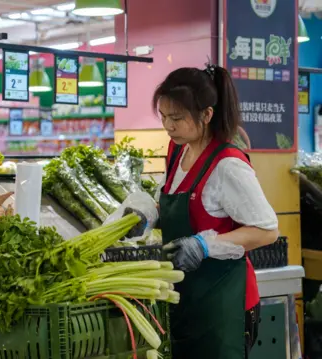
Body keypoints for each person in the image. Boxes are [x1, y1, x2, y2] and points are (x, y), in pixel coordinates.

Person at [127, 65, 279, 359]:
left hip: (225, 306)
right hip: (187, 299)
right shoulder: (177, 150)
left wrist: (204, 244)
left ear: (207, 115)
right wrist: (149, 215)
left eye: (177, 118)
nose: (168, 127)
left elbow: (267, 230)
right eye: (163, 117)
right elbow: (172, 199)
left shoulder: (228, 165)